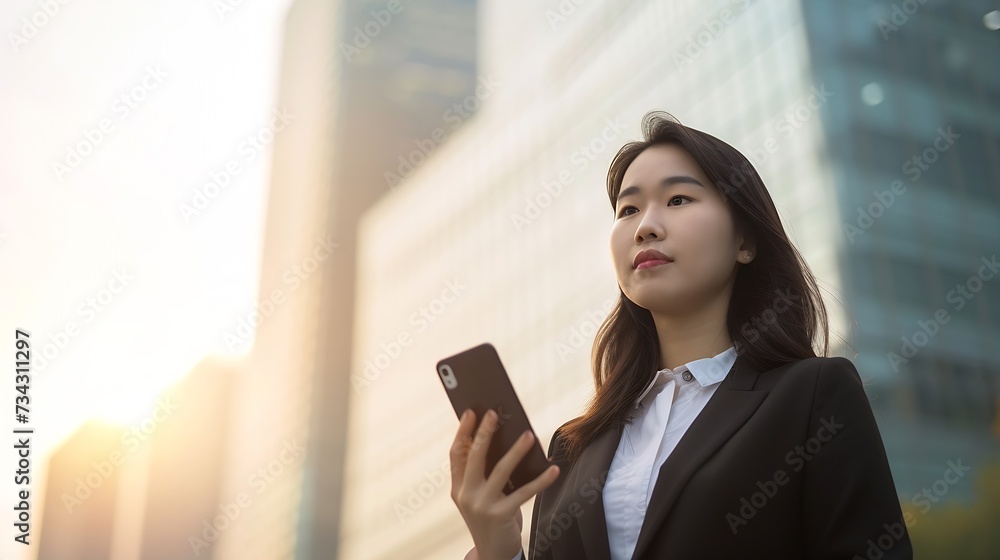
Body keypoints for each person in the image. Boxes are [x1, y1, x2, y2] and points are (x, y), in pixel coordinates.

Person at [449, 111, 912, 560]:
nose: (645, 227)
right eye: (628, 209)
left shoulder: (812, 395)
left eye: (677, 200)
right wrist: (499, 549)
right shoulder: (572, 449)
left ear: (745, 242)